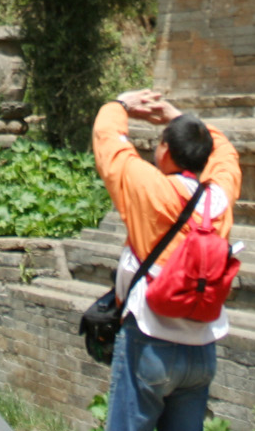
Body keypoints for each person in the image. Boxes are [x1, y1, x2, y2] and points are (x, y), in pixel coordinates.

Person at [91, 87, 242, 431]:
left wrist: (120, 105)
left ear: (165, 152)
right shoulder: (218, 198)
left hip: (150, 341)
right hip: (202, 351)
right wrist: (179, 117)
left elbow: (108, 141)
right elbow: (226, 154)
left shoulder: (150, 189)